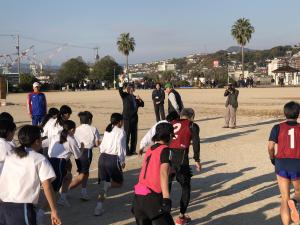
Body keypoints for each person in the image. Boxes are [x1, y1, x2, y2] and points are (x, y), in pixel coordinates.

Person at [0, 125, 61, 225]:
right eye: (41, 138)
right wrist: (53, 211)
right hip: (21, 209)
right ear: (37, 141)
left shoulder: (10, 155)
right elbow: (47, 186)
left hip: (3, 206)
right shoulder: (39, 158)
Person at [132, 122, 175, 225]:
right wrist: (166, 198)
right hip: (152, 199)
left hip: (138, 197)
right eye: (172, 136)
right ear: (169, 136)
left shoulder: (150, 149)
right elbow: (163, 173)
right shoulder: (166, 150)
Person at [268, 101, 300, 225]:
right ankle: (295, 201)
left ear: (285, 113)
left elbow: (270, 147)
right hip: (297, 163)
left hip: (281, 163)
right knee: (298, 193)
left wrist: (272, 159)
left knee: (284, 198)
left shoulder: (277, 127)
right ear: (298, 114)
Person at [169, 108, 201, 225]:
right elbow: (196, 143)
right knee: (186, 187)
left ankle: (163, 212)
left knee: (166, 186)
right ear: (191, 117)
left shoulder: (171, 123)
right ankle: (181, 217)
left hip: (167, 158)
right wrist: (197, 159)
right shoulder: (192, 125)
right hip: (182, 159)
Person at [94, 113, 126, 216]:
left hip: (102, 158)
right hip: (113, 159)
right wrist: (122, 161)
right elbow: (121, 148)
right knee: (119, 183)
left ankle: (98, 208)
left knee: (103, 186)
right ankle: (107, 185)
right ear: (120, 122)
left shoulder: (108, 130)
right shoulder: (121, 132)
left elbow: (101, 146)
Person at [48, 120, 82, 207]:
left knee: (68, 177)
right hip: (59, 163)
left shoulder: (56, 136)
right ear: (71, 130)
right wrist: (82, 148)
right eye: (74, 129)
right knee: (54, 189)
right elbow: (78, 156)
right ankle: (41, 211)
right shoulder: (71, 140)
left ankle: (63, 198)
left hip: (50, 160)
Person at [69, 111, 101, 200]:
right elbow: (97, 143)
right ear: (90, 120)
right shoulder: (93, 129)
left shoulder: (77, 129)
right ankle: (64, 191)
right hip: (86, 152)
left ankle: (84, 192)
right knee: (83, 174)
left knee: (84, 173)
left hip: (77, 152)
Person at [119, 74, 144, 156]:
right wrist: (121, 81)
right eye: (129, 88)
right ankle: (127, 151)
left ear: (133, 89)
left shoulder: (135, 97)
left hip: (134, 119)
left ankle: (133, 150)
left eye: (132, 88)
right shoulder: (125, 96)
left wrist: (140, 99)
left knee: (134, 136)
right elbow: (120, 90)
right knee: (126, 135)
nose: (130, 89)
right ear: (127, 89)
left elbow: (142, 104)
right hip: (126, 119)